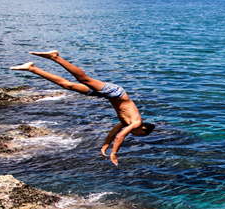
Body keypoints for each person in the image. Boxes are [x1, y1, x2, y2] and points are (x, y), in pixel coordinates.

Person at [10, 50, 155, 166]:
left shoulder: (126, 123)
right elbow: (120, 136)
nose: (136, 136)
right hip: (115, 92)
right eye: (140, 135)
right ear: (142, 128)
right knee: (83, 79)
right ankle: (55, 57)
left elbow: (113, 134)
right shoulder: (136, 122)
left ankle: (32, 68)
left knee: (67, 85)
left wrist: (105, 147)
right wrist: (114, 153)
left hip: (107, 95)